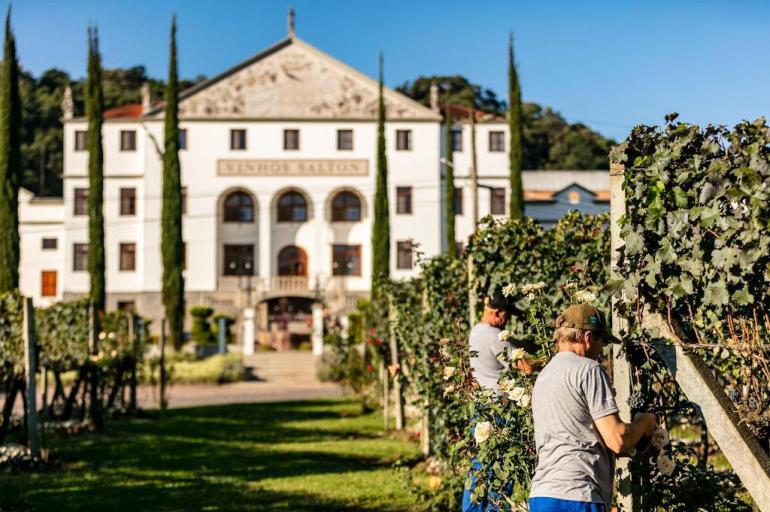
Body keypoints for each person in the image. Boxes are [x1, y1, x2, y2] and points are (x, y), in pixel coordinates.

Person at [528, 304, 657, 512]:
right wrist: (644, 423)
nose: (602, 350)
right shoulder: (589, 370)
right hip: (577, 494)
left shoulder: (544, 376)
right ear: (588, 338)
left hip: (542, 495)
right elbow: (617, 439)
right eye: (603, 342)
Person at [462, 288, 533, 512]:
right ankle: (495, 509)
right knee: (501, 467)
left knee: (480, 465)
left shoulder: (476, 332)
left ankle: (471, 509)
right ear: (498, 313)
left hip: (481, 407)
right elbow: (525, 368)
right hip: (498, 410)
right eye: (506, 315)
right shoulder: (495, 337)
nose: (507, 321)